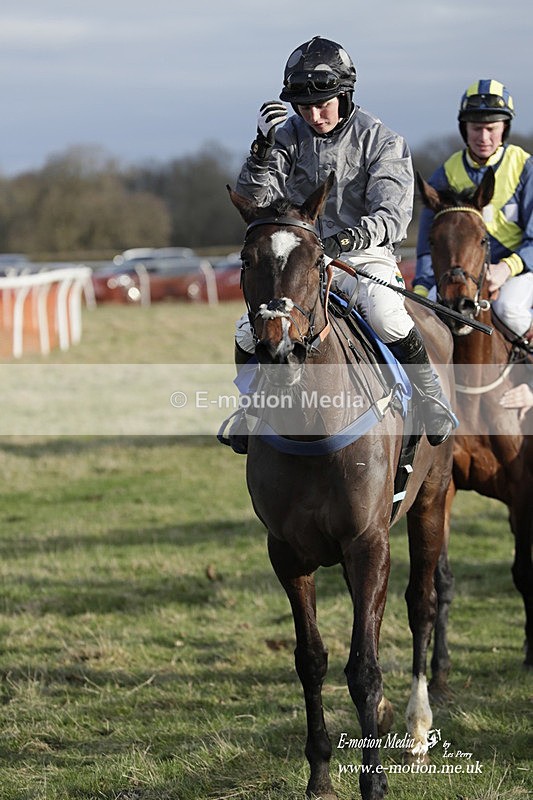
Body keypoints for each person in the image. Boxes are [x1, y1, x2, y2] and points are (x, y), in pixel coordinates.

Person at [232, 35, 455, 450]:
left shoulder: (382, 141)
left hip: (363, 253)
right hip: (299, 256)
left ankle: (430, 398)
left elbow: (392, 216)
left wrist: (341, 241)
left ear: (345, 93)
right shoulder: (285, 137)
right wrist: (261, 148)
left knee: (386, 314)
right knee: (248, 328)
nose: (314, 115)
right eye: (304, 107)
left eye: (323, 104)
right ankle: (248, 408)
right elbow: (255, 203)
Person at [414, 79, 533, 348]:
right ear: (464, 129)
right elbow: (426, 243)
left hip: (517, 270)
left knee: (509, 309)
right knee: (428, 314)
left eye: (491, 128)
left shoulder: (525, 167)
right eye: (476, 128)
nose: (483, 137)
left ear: (505, 128)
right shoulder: (445, 173)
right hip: (463, 273)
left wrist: (505, 268)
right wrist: (421, 289)